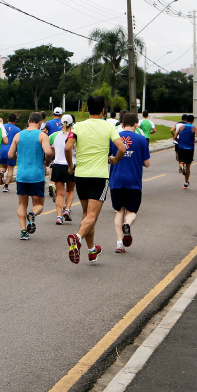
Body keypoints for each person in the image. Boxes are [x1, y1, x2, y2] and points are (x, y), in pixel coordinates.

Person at [64, 96, 126, 265]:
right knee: (92, 216)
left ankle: (92, 251)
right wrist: (115, 160)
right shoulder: (108, 126)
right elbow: (122, 148)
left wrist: (70, 165)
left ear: (88, 109)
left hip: (81, 175)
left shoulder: (77, 126)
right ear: (103, 110)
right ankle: (76, 238)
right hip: (99, 176)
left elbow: (68, 147)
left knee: (86, 215)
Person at [8, 112, 54, 239]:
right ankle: (32, 214)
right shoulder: (42, 135)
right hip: (36, 175)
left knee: (22, 204)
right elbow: (48, 151)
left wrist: (21, 156)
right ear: (40, 123)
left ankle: (23, 231)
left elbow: (10, 155)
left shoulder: (18, 135)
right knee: (38, 205)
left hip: (22, 174)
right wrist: (48, 160)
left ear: (28, 122)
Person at [109, 113, 151, 253]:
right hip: (133, 180)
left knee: (118, 211)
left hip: (116, 179)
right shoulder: (141, 139)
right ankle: (127, 224)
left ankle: (119, 244)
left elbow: (109, 157)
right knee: (131, 211)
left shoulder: (114, 139)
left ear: (121, 124)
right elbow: (147, 163)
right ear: (136, 124)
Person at [49, 114, 76, 225]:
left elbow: (52, 148)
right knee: (70, 190)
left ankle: (59, 216)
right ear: (72, 124)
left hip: (58, 164)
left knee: (59, 193)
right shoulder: (74, 135)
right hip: (71, 164)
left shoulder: (55, 135)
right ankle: (68, 210)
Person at [42, 106, 64, 200]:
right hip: (62, 145)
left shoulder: (48, 123)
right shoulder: (64, 122)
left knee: (52, 164)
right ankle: (58, 183)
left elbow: (44, 131)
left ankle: (51, 182)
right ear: (61, 115)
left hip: (52, 145)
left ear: (53, 114)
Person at [0, 113, 22, 192]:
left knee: (3, 166)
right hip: (11, 151)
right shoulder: (18, 130)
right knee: (10, 169)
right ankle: (6, 186)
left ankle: (1, 172)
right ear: (15, 121)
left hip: (1, 150)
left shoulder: (2, 127)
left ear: (8, 119)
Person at [176, 114, 197, 189]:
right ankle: (186, 183)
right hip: (190, 149)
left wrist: (178, 141)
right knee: (188, 166)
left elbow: (174, 136)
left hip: (181, 147)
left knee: (181, 161)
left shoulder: (181, 127)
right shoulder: (194, 128)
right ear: (193, 121)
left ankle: (181, 165)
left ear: (186, 120)